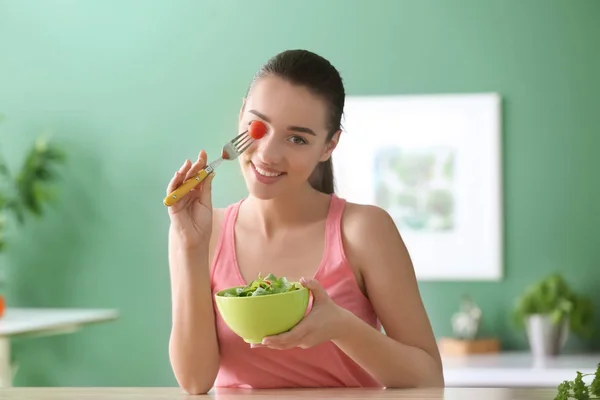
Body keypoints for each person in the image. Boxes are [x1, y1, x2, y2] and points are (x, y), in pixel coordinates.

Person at [166, 49, 444, 394]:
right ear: (240, 115)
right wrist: (189, 246)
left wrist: (342, 327)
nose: (267, 154)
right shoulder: (202, 233)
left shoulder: (364, 230)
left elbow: (428, 378)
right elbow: (195, 381)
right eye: (257, 126)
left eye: (297, 138)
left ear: (329, 145)